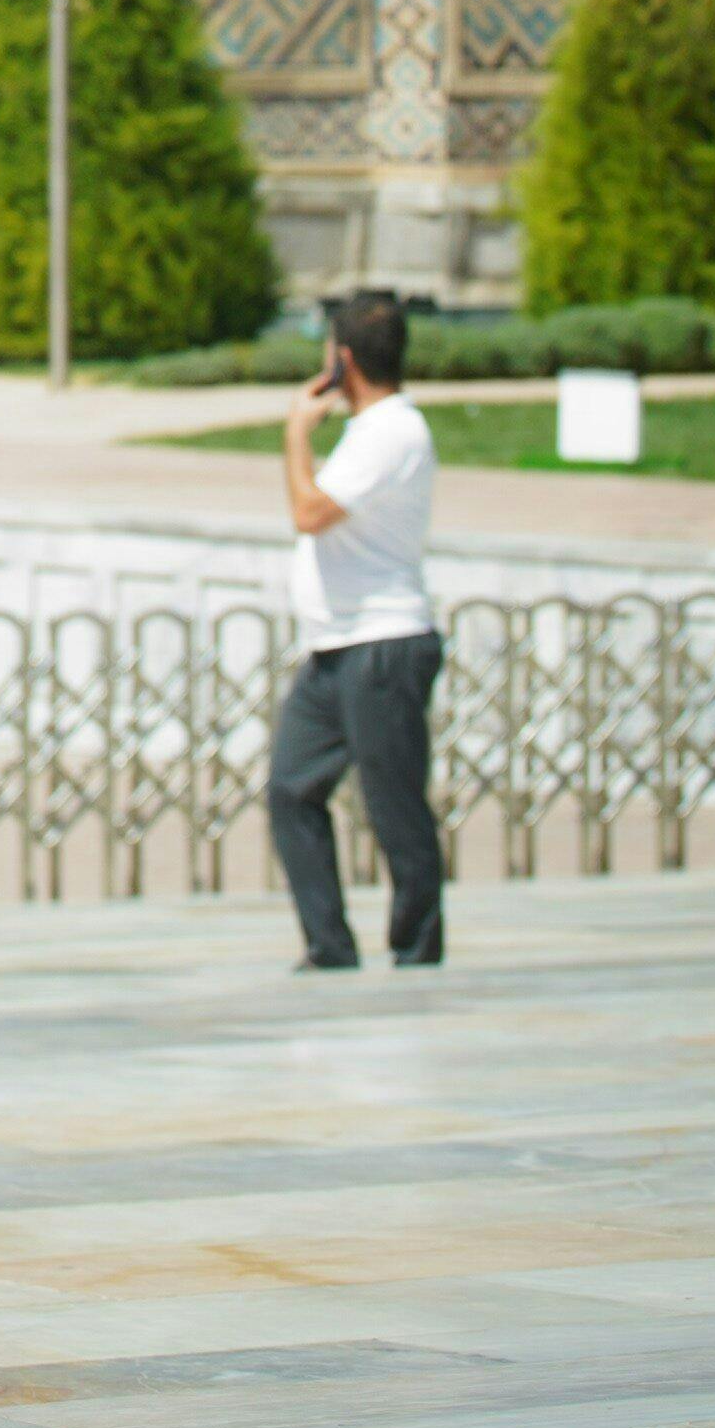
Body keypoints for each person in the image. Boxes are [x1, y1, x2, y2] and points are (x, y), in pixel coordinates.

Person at [266, 287, 447, 971]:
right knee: (292, 788)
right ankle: (330, 945)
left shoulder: (395, 432)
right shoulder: (371, 433)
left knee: (394, 805)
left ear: (343, 361)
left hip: (383, 644)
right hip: (335, 647)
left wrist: (295, 433)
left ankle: (416, 949)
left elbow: (310, 513)